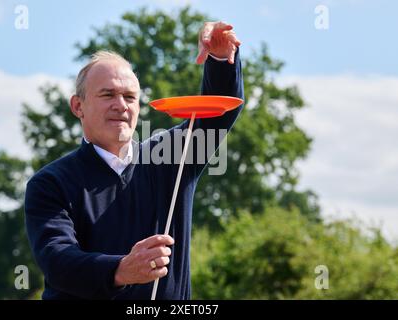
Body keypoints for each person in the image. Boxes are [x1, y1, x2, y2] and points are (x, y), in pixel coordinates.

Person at [24, 21, 244, 300]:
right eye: (107, 95)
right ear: (78, 106)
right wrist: (120, 269)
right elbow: (58, 261)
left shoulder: (170, 157)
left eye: (130, 97)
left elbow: (217, 114)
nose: (121, 105)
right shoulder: (50, 183)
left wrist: (220, 58)